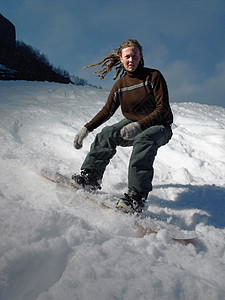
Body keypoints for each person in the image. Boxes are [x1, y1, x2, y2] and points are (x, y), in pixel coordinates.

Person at [71, 39, 173, 214]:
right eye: (127, 56)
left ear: (141, 57)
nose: (131, 60)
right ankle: (91, 178)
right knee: (107, 133)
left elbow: (162, 109)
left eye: (135, 56)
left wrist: (139, 126)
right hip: (133, 124)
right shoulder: (120, 85)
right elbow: (107, 111)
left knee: (144, 139)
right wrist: (86, 129)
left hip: (160, 126)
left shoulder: (153, 76)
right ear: (121, 59)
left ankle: (137, 197)